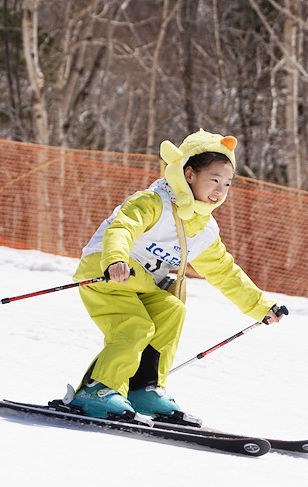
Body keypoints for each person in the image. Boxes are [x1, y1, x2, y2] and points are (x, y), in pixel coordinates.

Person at [65, 129, 284, 422]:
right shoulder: (153, 202)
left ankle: (143, 389)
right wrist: (115, 260)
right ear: (189, 174)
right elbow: (122, 228)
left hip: (144, 285)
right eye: (214, 180)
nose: (220, 190)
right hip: (108, 275)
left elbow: (224, 272)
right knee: (135, 327)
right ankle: (97, 390)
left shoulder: (202, 228)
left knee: (172, 309)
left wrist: (260, 306)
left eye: (227, 183)